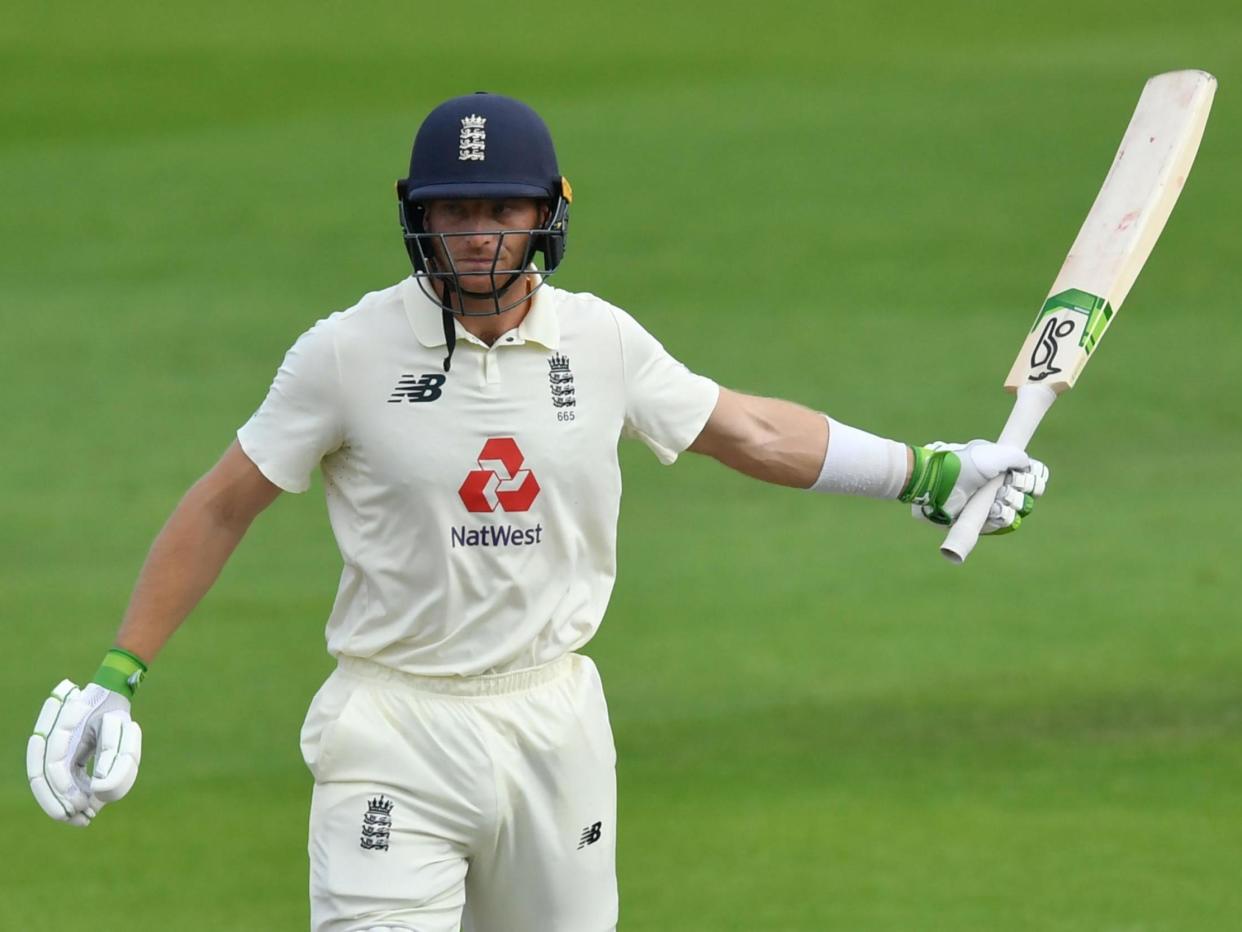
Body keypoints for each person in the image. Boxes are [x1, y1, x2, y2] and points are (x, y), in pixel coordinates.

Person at [27, 92, 1048, 931]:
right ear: (414, 215)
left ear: (547, 212)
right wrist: (120, 675)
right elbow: (220, 505)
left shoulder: (600, 343)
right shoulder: (346, 352)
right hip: (392, 722)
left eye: (501, 211)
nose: (477, 236)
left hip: (551, 722)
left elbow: (754, 433)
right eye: (453, 212)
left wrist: (925, 471)